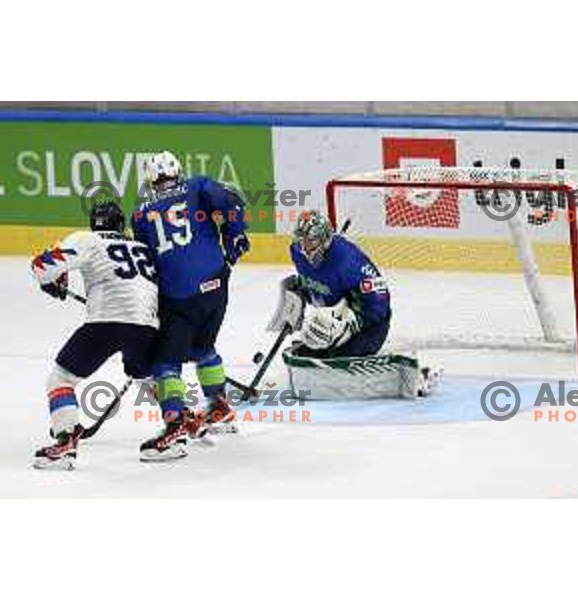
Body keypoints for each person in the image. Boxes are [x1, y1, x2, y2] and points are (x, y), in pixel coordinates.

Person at [131, 151, 249, 462]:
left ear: (150, 180)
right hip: (216, 285)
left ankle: (175, 426)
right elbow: (233, 200)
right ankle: (219, 407)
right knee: (204, 348)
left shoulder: (140, 214)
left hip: (180, 297)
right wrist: (234, 235)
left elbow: (146, 263)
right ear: (177, 171)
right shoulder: (198, 186)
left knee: (165, 363)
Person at [32, 201, 158, 470]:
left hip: (105, 322)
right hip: (146, 324)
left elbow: (44, 267)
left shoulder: (87, 239)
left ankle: (65, 442)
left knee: (61, 378)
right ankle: (179, 420)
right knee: (144, 374)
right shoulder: (142, 247)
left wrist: (50, 278)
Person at [269, 210, 391, 359]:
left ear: (325, 239)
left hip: (371, 325)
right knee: (310, 348)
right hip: (333, 316)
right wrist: (301, 292)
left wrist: (353, 321)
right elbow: (321, 284)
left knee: (340, 355)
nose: (305, 247)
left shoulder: (347, 259)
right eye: (302, 240)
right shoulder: (297, 252)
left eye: (311, 241)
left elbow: (380, 300)